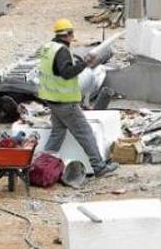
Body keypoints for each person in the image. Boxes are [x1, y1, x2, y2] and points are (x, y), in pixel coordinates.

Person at [37, 19, 117, 178]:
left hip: (51, 99)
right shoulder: (62, 51)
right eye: (72, 33)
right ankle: (99, 167)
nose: (73, 37)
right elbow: (66, 73)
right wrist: (85, 64)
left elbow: (53, 72)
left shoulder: (48, 48)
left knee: (58, 132)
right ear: (67, 34)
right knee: (85, 133)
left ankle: (42, 165)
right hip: (64, 101)